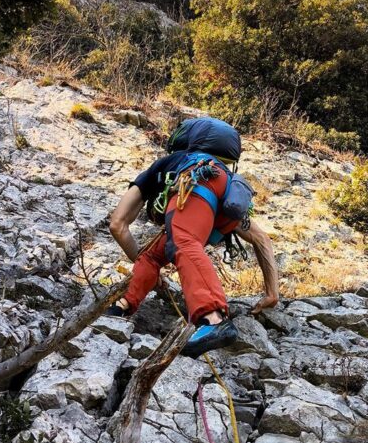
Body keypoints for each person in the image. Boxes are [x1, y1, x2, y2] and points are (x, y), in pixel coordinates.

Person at [108, 116, 279, 358]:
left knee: (182, 241)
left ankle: (213, 319)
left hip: (195, 183)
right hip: (216, 207)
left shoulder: (169, 163)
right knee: (152, 256)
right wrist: (272, 293)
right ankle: (123, 306)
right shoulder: (224, 176)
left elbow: (118, 224)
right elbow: (261, 239)